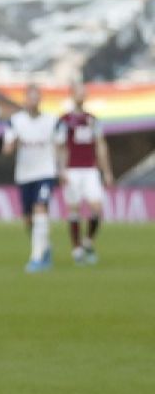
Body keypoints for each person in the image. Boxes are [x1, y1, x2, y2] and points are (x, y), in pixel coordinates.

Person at [2, 83, 58, 273]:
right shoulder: (15, 121)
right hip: (25, 175)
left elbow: (60, 146)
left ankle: (36, 258)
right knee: (28, 219)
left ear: (40, 99)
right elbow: (6, 150)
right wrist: (15, 142)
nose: (33, 101)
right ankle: (44, 247)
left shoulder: (52, 121)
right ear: (25, 100)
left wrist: (62, 169)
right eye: (30, 97)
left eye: (36, 97)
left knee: (40, 208)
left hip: (46, 172)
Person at [57, 80, 114, 265]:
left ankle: (88, 241)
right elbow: (60, 147)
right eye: (79, 92)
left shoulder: (92, 119)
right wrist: (61, 169)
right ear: (72, 94)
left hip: (90, 169)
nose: (82, 95)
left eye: (84, 92)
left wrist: (106, 171)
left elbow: (100, 145)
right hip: (72, 170)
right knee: (74, 209)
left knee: (97, 207)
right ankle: (76, 249)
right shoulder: (64, 120)